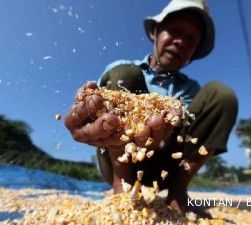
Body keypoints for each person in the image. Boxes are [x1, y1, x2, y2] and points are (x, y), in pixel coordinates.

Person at [64, 0, 238, 216]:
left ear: (193, 52)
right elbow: (95, 106)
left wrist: (174, 120)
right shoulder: (122, 69)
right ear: (155, 32)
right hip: (119, 161)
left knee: (221, 94)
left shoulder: (190, 89)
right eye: (175, 31)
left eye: (191, 39)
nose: (181, 41)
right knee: (124, 74)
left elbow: (188, 130)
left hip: (166, 169)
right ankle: (123, 183)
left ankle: (177, 190)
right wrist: (85, 109)